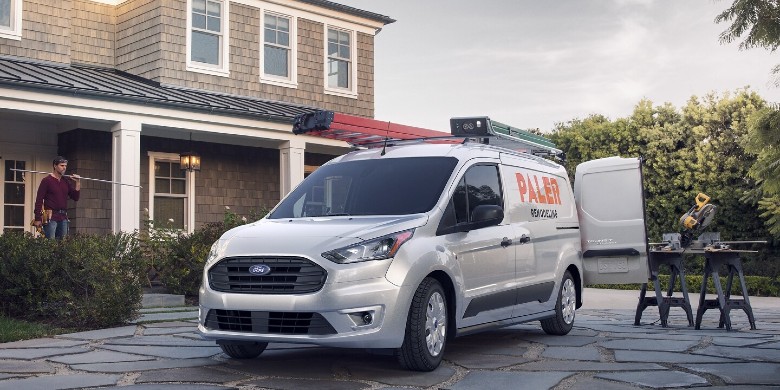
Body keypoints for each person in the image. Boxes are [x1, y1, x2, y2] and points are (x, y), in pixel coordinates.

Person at [33, 156, 81, 239]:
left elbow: (75, 197)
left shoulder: (65, 181)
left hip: (63, 217)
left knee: (63, 245)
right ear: (55, 166)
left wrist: (78, 182)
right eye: (62, 165)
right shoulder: (46, 181)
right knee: (50, 244)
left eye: (65, 166)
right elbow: (39, 200)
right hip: (50, 217)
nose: (64, 168)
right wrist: (37, 218)